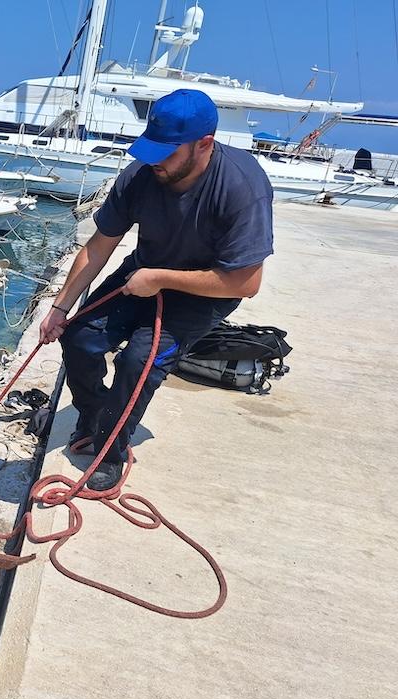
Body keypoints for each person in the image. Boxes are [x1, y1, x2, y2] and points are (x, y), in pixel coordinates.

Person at [39, 89, 274, 491]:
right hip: (143, 273)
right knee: (79, 336)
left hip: (207, 290)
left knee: (139, 362)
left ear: (204, 144)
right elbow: (98, 247)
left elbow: (246, 283)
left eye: (166, 152)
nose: (154, 162)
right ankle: (96, 417)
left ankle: (110, 450)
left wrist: (162, 278)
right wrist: (60, 309)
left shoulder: (242, 186)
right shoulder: (141, 175)